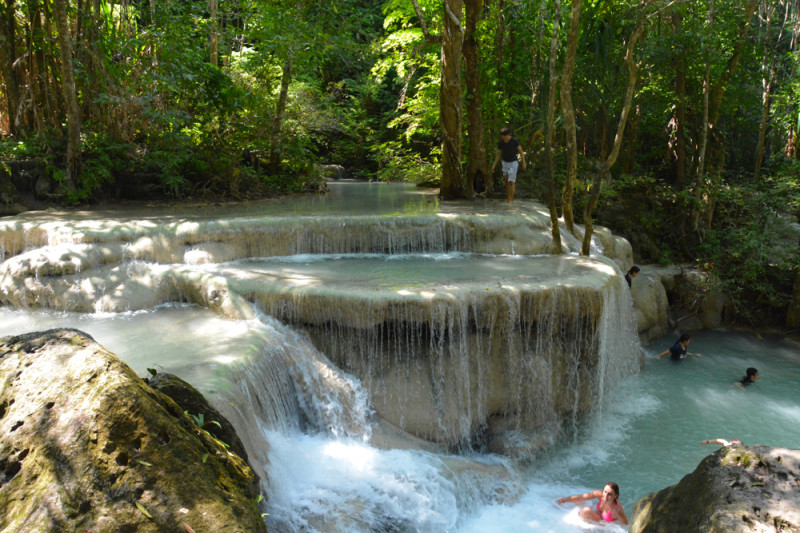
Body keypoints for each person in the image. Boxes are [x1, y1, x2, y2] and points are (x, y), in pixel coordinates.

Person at [556, 482, 628, 525]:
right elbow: (582, 497)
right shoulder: (600, 495)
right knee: (584, 511)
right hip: (593, 517)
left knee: (585, 511)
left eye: (610, 494)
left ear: (615, 496)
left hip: (604, 527)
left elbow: (626, 526)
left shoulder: (617, 510)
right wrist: (562, 500)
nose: (605, 496)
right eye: (605, 492)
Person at [491, 127, 527, 204]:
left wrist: (524, 163)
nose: (504, 137)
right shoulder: (501, 143)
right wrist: (493, 165)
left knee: (511, 181)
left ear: (508, 134)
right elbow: (499, 155)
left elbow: (521, 152)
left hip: (512, 163)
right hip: (505, 163)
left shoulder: (514, 141)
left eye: (505, 135)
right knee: (506, 181)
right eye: (502, 135)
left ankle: (511, 199)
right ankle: (508, 198)